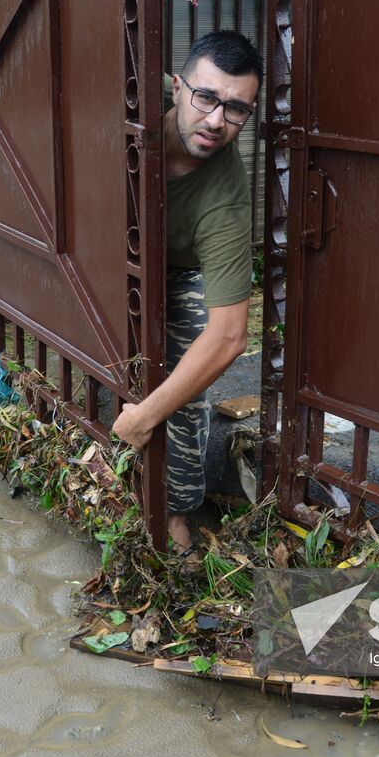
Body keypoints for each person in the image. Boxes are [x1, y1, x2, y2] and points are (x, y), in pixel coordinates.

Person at [110, 30, 262, 551]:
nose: (218, 121)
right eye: (207, 98)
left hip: (179, 271)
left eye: (237, 109)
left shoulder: (226, 194)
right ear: (176, 88)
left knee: (187, 385)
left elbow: (228, 337)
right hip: (107, 253)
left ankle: (178, 511)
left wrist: (146, 416)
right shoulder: (128, 102)